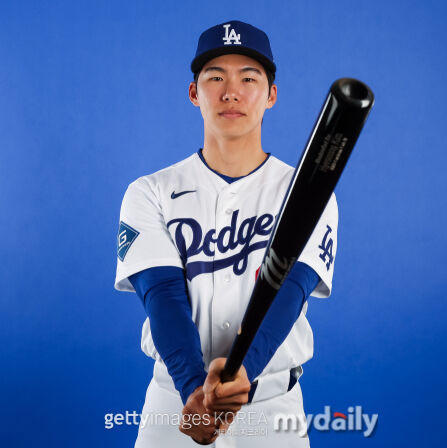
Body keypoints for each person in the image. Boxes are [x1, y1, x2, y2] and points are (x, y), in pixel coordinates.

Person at [115, 20, 338, 447]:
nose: (231, 92)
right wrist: (193, 391)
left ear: (271, 95)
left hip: (272, 410)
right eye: (215, 77)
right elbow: (162, 296)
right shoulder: (149, 192)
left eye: (249, 78)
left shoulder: (309, 193)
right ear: (193, 92)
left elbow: (290, 292)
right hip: (175, 404)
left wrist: (242, 372)